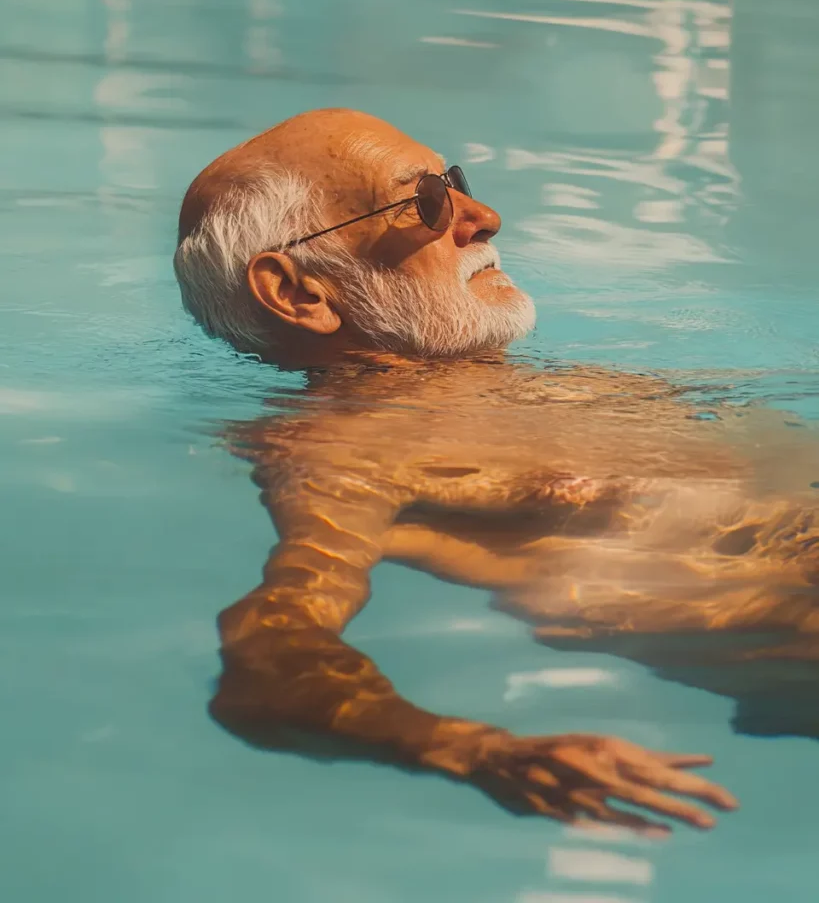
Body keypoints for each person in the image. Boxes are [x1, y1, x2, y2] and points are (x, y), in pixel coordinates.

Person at [174, 109, 817, 835]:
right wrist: (471, 748)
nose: (484, 218)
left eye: (457, 185)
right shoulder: (347, 453)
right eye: (424, 203)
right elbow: (269, 656)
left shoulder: (559, 385)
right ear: (300, 294)